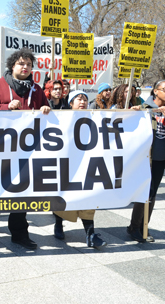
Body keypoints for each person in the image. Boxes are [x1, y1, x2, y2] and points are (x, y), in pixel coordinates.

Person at [0, 48, 50, 250]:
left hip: (27, 150)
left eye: (28, 64)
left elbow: (45, 113)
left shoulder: (36, 90)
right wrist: (5, 107)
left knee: (21, 192)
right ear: (12, 65)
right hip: (1, 148)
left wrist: (46, 108)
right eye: (21, 63)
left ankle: (19, 234)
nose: (25, 67)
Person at [127, 80, 165, 242]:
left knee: (152, 195)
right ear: (155, 91)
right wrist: (133, 112)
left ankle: (141, 225)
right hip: (145, 160)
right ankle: (135, 227)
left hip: (160, 160)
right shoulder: (144, 109)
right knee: (146, 193)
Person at [53, 90, 107, 249]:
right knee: (61, 197)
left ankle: (90, 234)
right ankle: (58, 224)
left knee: (88, 199)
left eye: (85, 99)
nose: (82, 102)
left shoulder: (95, 117)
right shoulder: (61, 118)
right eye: (78, 99)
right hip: (66, 165)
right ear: (71, 103)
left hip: (87, 165)